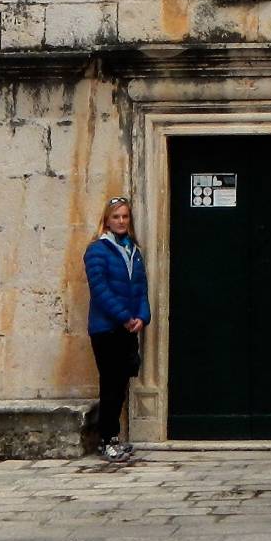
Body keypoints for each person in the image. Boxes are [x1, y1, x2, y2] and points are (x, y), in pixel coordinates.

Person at [83, 195, 150, 462]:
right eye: (116, 217)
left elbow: (141, 288)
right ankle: (107, 439)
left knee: (121, 384)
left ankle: (113, 438)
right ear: (107, 220)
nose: (121, 221)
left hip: (128, 328)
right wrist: (123, 316)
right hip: (106, 329)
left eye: (125, 216)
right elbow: (100, 290)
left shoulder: (133, 250)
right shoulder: (97, 250)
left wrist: (142, 316)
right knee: (110, 384)